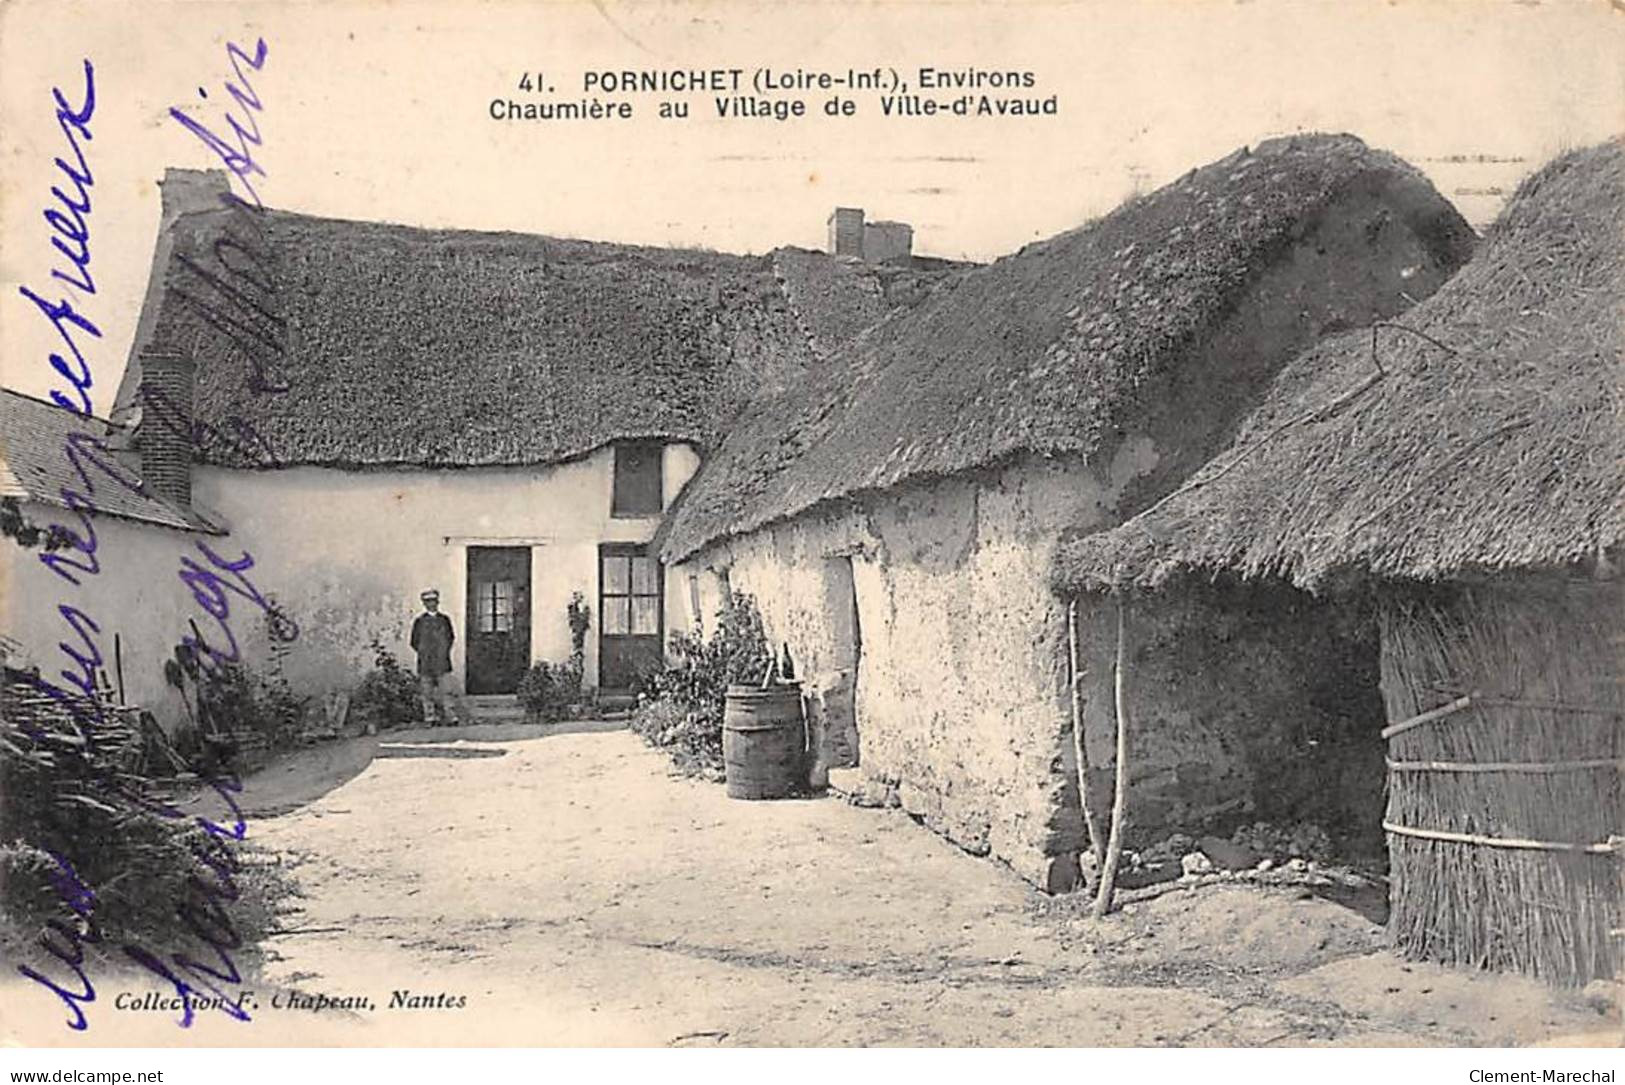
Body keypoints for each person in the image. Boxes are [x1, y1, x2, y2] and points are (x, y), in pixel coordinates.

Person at [410, 589, 456, 726]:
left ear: (438, 602)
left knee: (447, 691)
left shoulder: (444, 620)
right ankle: (430, 717)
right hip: (425, 662)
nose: (431, 604)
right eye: (428, 602)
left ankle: (451, 716)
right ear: (424, 604)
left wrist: (443, 652)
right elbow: (414, 641)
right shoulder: (419, 621)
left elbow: (450, 638)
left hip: (442, 661)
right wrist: (424, 653)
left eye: (433, 601)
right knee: (427, 693)